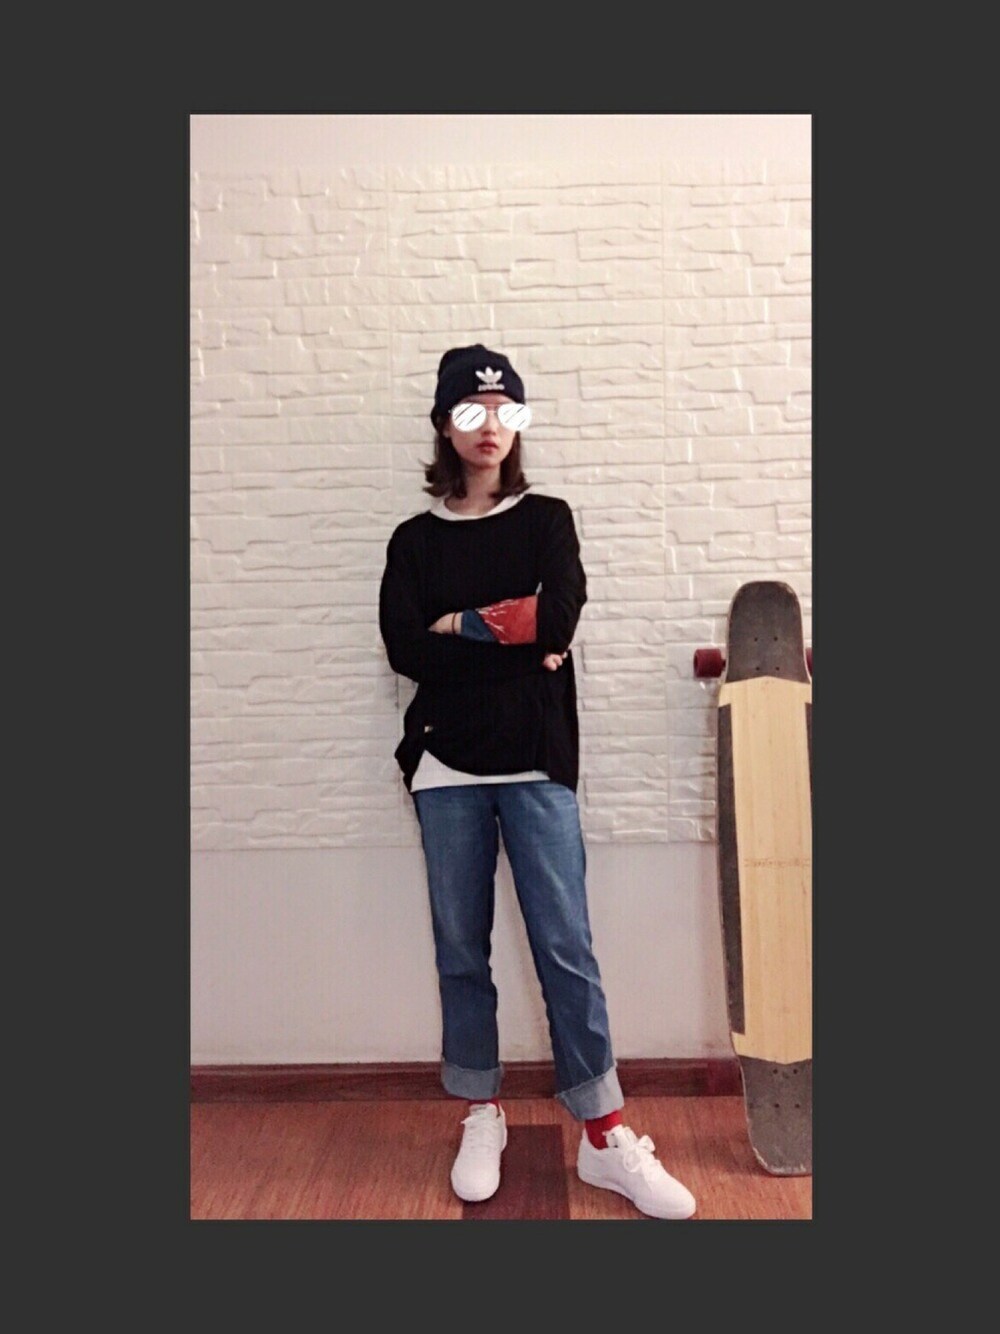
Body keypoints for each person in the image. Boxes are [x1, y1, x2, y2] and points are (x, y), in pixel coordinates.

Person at [378, 344, 696, 1220]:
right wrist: (514, 642)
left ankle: (604, 1136)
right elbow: (405, 648)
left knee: (565, 948)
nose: (490, 427)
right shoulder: (414, 540)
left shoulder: (547, 519)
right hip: (443, 765)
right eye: (471, 411)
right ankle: (482, 1112)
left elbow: (558, 618)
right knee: (461, 948)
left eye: (505, 410)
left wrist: (456, 628)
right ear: (444, 424)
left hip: (537, 759)